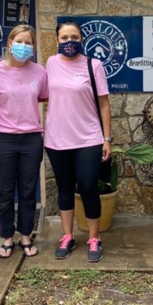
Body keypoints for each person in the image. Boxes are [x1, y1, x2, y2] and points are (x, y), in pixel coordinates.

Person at [44, 20, 112, 263]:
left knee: (87, 187)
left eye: (74, 37)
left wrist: (107, 138)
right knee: (64, 188)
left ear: (81, 40)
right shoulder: (50, 64)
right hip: (56, 139)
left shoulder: (93, 65)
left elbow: (104, 104)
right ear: (57, 40)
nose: (69, 42)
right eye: (64, 38)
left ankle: (94, 239)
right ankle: (68, 236)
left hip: (88, 138)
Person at [0, 25, 48, 259]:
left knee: (28, 191)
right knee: (4, 190)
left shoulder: (40, 72)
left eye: (28, 42)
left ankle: (25, 235)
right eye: (19, 41)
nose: (24, 46)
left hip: (31, 139)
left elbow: (42, 98)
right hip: (3, 139)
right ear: (10, 43)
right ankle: (7, 237)